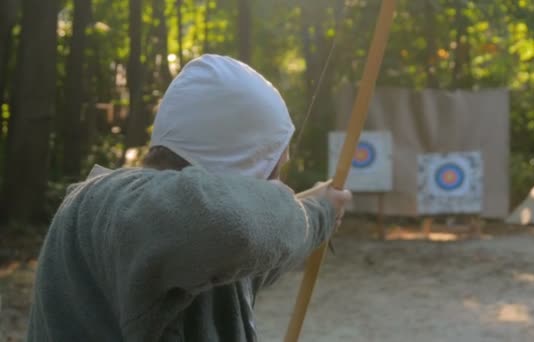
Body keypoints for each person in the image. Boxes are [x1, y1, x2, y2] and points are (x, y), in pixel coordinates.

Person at [26, 54, 352, 341]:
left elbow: (255, 260)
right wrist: (315, 215)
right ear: (237, 161)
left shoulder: (190, 245)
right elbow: (234, 227)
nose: (278, 187)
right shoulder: (106, 203)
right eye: (272, 173)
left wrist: (319, 209)